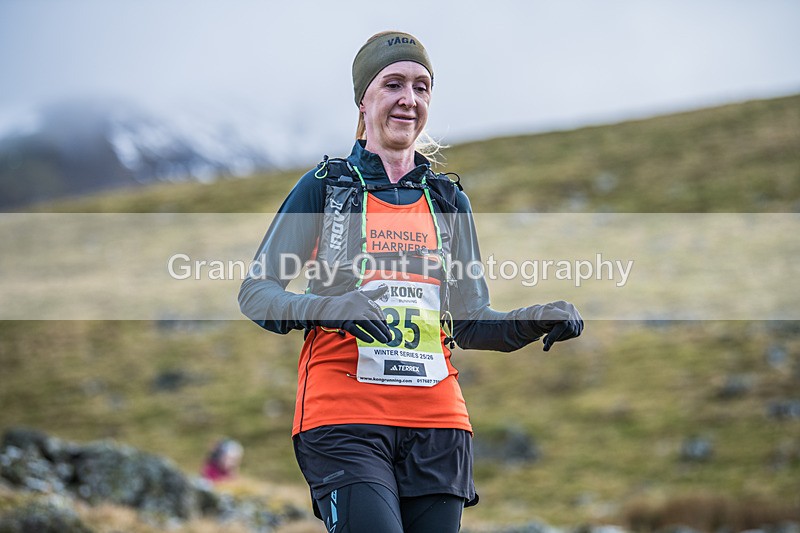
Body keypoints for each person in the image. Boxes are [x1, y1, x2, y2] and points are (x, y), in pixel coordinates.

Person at [239, 30, 583, 533]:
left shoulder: (448, 202)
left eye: (422, 87)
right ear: (363, 100)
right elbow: (257, 293)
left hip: (438, 425)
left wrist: (531, 321)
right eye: (393, 83)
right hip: (344, 418)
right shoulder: (327, 187)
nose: (409, 99)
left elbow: (468, 323)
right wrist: (330, 307)